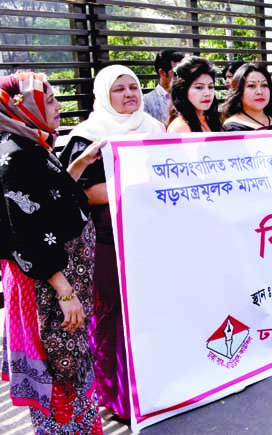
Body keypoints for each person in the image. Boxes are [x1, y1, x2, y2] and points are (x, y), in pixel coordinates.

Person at [0, 71, 106, 434]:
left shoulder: (32, 145)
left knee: (71, 366)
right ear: (23, 107)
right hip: (45, 286)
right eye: (48, 99)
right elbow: (24, 236)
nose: (59, 106)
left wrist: (79, 164)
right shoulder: (14, 159)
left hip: (59, 282)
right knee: (56, 368)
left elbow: (51, 202)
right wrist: (64, 290)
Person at [56, 65, 164, 421]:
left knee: (151, 309)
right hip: (107, 242)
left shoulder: (154, 129)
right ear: (104, 95)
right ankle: (115, 394)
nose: (130, 94)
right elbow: (82, 192)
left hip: (152, 235)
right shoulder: (87, 136)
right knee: (111, 316)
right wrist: (138, 187)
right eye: (119, 89)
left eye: (134, 87)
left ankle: (152, 385)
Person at [221, 62, 272, 131]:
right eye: (251, 86)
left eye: (264, 85)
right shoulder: (232, 129)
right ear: (239, 91)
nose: (260, 92)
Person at [167, 56, 223, 133]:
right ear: (183, 90)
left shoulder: (211, 120)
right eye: (199, 87)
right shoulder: (180, 128)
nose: (207, 93)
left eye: (210, 87)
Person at [143, 49, 184, 125]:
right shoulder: (147, 102)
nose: (181, 77)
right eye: (176, 73)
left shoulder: (189, 97)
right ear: (162, 72)